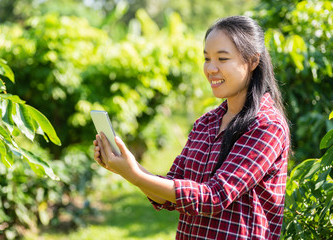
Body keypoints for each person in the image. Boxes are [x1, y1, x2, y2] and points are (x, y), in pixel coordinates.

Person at [93, 15, 290, 240]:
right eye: (207, 58)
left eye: (222, 59)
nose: (210, 68)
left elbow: (214, 197)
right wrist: (127, 168)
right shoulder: (206, 123)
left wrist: (135, 174)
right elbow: (170, 191)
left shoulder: (266, 126)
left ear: (253, 61)